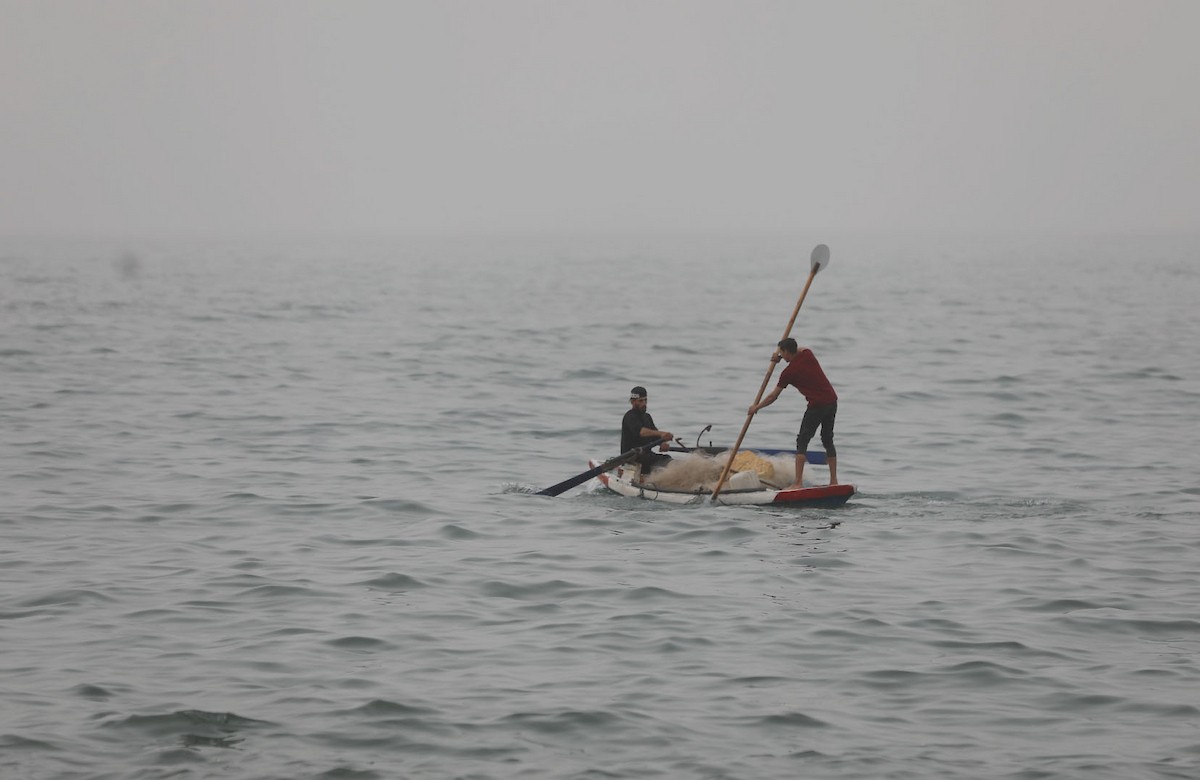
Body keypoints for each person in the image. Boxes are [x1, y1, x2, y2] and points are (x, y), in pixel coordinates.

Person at [748, 338, 839, 489]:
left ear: (785, 352)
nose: (781, 357)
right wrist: (780, 357)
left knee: (802, 441)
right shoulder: (807, 354)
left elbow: (773, 396)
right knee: (827, 440)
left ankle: (797, 483)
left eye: (782, 353)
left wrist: (756, 407)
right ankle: (834, 481)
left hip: (817, 406)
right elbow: (800, 348)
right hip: (831, 401)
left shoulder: (788, 373)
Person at [621, 386, 674, 480]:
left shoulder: (647, 417)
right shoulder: (629, 416)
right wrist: (662, 434)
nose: (644, 403)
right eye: (640, 401)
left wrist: (662, 443)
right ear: (633, 402)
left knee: (667, 458)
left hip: (646, 456)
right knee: (664, 461)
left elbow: (655, 436)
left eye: (645, 400)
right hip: (631, 457)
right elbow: (641, 432)